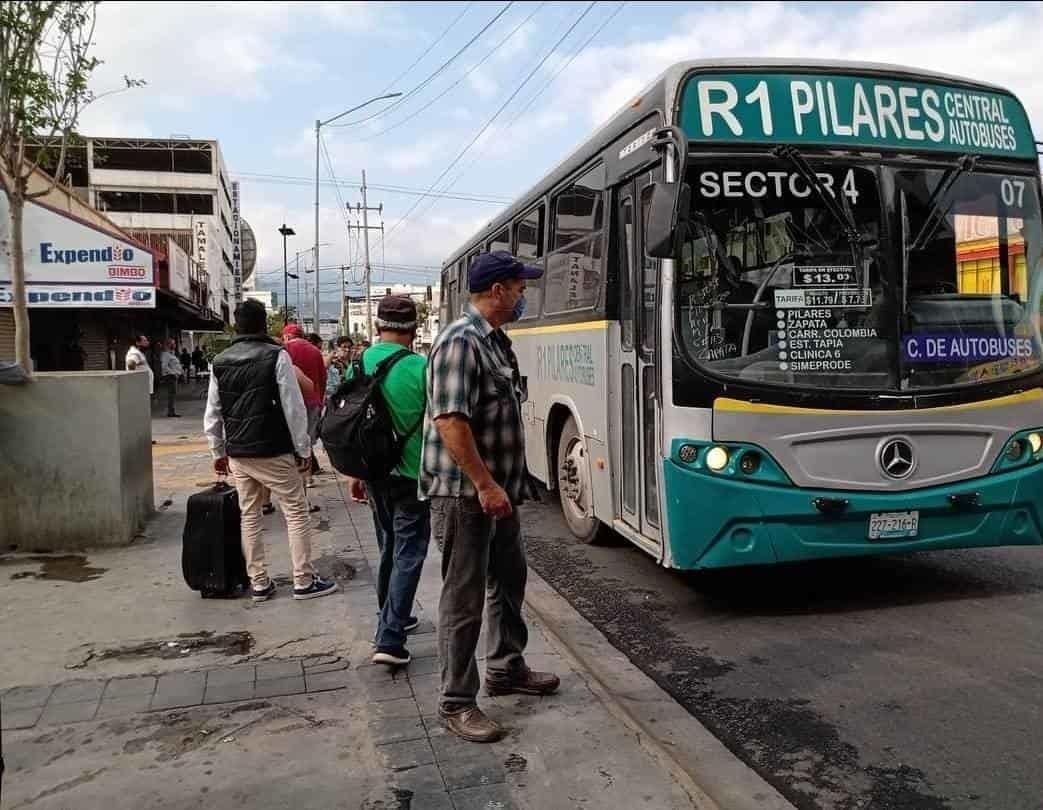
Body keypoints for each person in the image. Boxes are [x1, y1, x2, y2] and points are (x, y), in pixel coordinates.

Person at [422, 250, 559, 744]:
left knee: (510, 578)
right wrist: (484, 484)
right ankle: (456, 701)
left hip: (496, 494)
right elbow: (450, 423)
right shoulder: (460, 342)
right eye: (520, 288)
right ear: (498, 290)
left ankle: (506, 667)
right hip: (466, 495)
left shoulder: (496, 343)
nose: (525, 296)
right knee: (464, 597)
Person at [203, 299, 338, 602]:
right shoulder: (276, 356)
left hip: (239, 451)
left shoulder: (220, 360)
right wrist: (303, 448)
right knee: (296, 511)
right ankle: (303, 580)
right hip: (272, 448)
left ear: (236, 326)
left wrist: (217, 451)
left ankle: (259, 583)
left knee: (249, 515)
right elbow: (293, 406)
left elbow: (213, 412)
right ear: (264, 324)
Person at [346, 297, 430, 667]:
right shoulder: (422, 367)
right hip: (412, 474)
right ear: (413, 329)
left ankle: (391, 618)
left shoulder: (358, 364)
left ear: (378, 327)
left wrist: (355, 474)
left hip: (374, 473)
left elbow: (351, 424)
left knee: (389, 547)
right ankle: (391, 637)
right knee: (408, 552)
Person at [282, 323, 327, 477]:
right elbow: (322, 378)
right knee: (308, 442)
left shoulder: (284, 350)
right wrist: (320, 400)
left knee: (293, 441)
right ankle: (308, 478)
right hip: (313, 401)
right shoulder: (315, 351)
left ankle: (297, 476)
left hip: (292, 402)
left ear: (287, 336)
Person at [159, 339, 183, 417]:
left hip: (173, 376)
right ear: (169, 345)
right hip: (170, 377)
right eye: (173, 343)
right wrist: (173, 373)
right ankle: (171, 412)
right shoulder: (166, 354)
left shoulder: (171, 354)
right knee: (171, 394)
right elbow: (164, 367)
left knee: (172, 394)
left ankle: (171, 411)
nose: (175, 345)